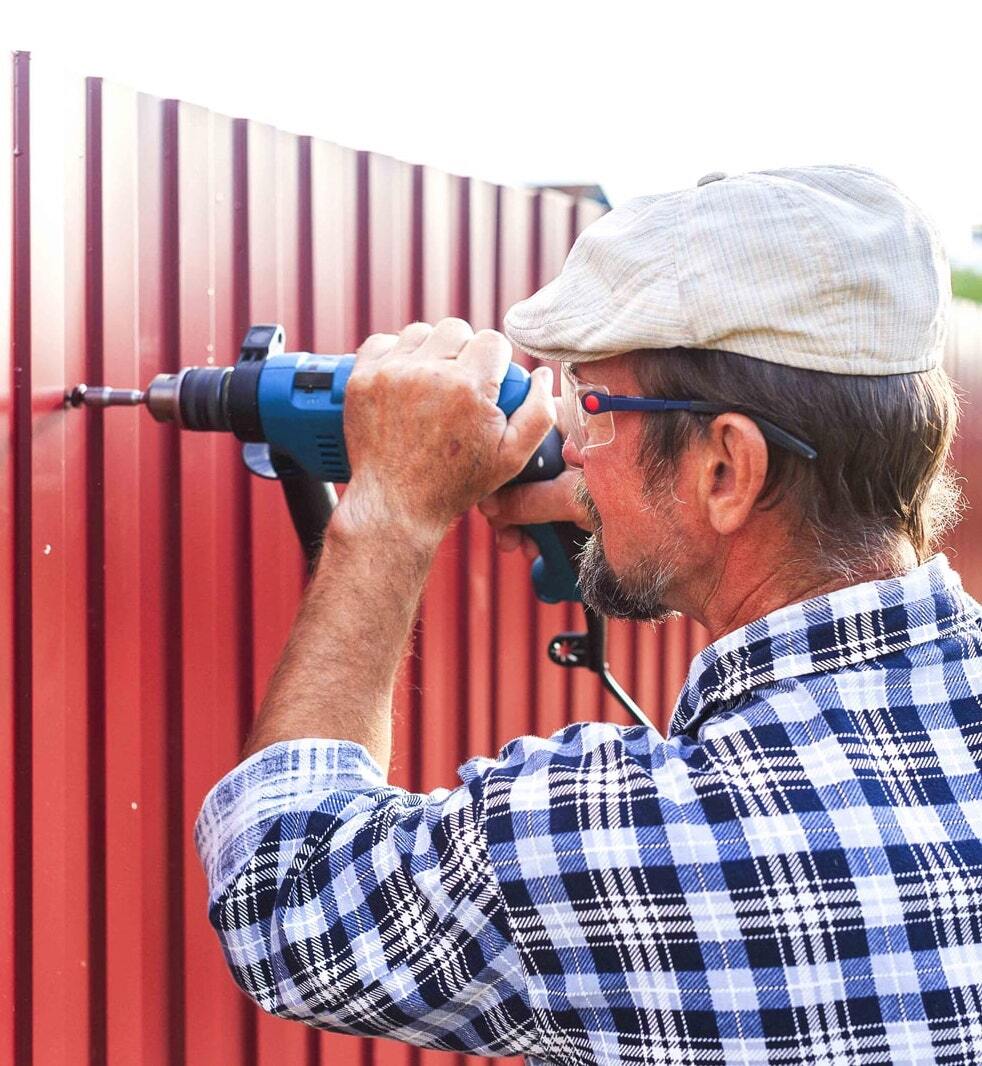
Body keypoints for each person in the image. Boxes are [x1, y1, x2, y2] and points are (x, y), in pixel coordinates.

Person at [194, 166, 982, 1066]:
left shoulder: (628, 847)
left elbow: (285, 899)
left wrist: (391, 514)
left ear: (727, 469)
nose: (570, 445)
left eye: (593, 407)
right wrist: (657, 516)